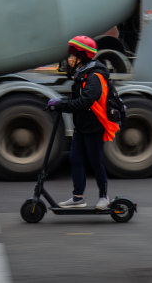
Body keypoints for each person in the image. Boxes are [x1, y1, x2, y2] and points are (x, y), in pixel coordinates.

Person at [47, 35, 120, 210]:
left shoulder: (95, 76)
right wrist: (60, 100)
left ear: (83, 56)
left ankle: (104, 197)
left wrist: (61, 105)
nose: (69, 59)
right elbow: (77, 97)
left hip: (95, 125)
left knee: (95, 162)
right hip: (82, 125)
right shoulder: (82, 73)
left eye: (73, 55)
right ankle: (78, 197)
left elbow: (85, 101)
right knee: (75, 159)